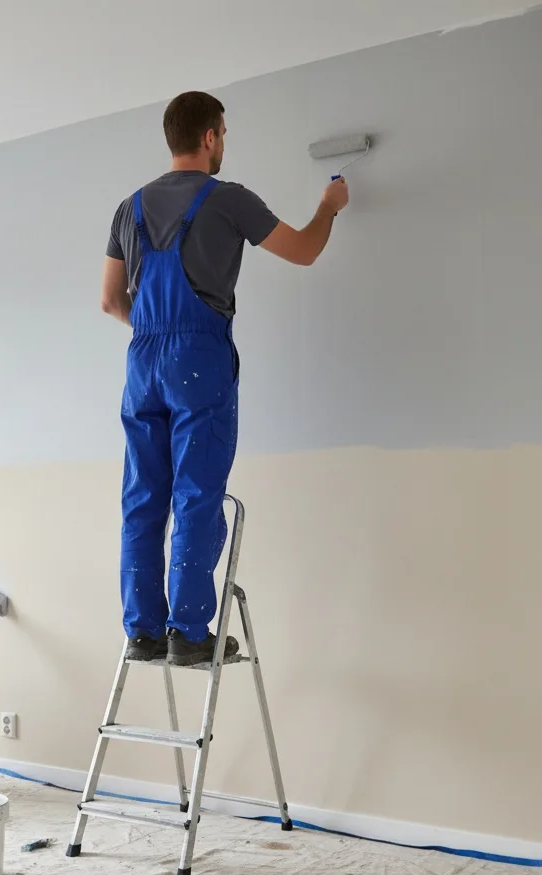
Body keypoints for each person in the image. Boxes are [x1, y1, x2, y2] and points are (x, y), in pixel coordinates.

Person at [102, 90, 348, 667]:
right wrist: (330, 205)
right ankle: (188, 633)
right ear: (211, 136)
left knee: (143, 500)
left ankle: (142, 632)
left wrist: (158, 331)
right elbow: (305, 250)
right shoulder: (228, 199)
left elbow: (111, 301)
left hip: (142, 363)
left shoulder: (128, 207)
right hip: (198, 359)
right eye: (224, 136)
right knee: (196, 495)